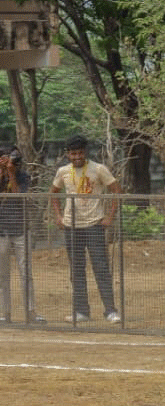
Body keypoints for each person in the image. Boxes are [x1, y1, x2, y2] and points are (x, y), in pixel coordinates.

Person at [49, 135, 122, 324]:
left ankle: (110, 310)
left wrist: (109, 217)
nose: (77, 157)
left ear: (85, 152)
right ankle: (81, 311)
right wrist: (58, 216)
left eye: (80, 153)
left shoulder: (98, 169)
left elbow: (116, 190)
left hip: (94, 225)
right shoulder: (63, 171)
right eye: (73, 153)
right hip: (72, 226)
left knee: (101, 268)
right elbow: (53, 193)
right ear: (68, 154)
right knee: (76, 270)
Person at [0, 146, 44, 324]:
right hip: (1, 230)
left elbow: (20, 196)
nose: (11, 162)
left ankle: (30, 311)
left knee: (26, 272)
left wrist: (11, 173)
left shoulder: (23, 176)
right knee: (2, 274)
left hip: (20, 228)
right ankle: (5, 313)